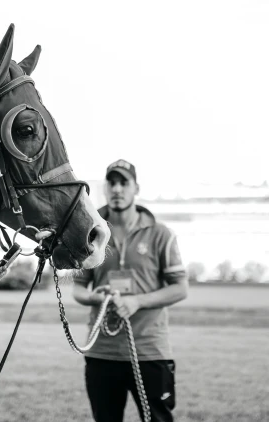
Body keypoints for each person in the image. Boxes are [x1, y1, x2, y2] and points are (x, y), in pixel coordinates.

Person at [73, 159, 188, 422]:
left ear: (136, 188)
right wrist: (96, 298)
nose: (117, 189)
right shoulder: (91, 233)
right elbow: (78, 290)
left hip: (150, 351)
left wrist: (137, 301)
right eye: (111, 183)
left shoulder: (161, 234)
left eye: (124, 183)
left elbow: (180, 288)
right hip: (102, 353)